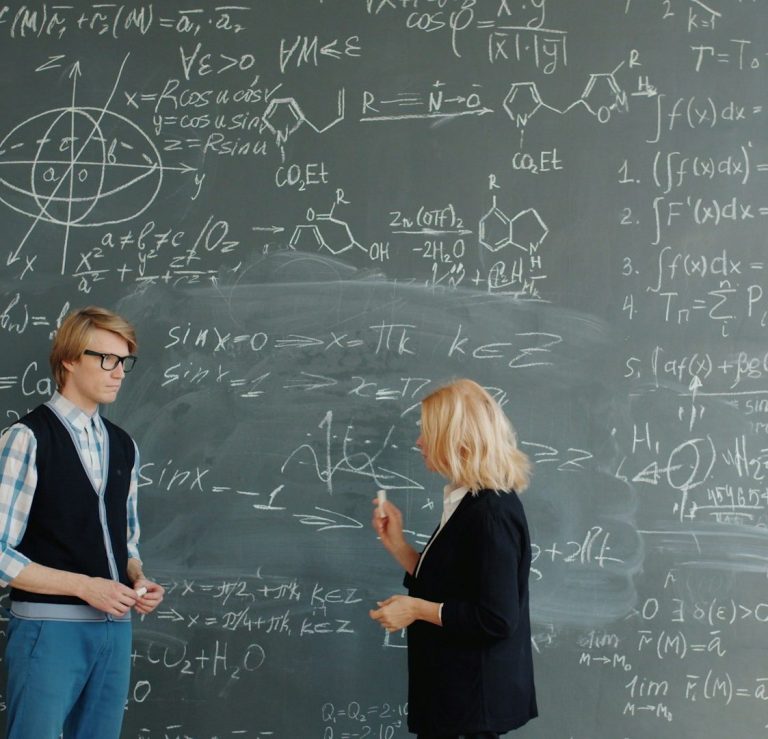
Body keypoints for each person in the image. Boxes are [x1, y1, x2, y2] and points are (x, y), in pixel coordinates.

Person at [0, 306, 164, 738]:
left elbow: (124, 542)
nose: (119, 372)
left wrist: (139, 578)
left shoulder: (123, 445)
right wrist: (83, 585)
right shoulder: (27, 438)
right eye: (106, 359)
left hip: (114, 631)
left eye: (124, 361)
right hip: (49, 630)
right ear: (70, 359)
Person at [370, 379, 537, 739]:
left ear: (456, 438)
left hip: (470, 710)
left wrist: (414, 609)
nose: (419, 442)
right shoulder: (470, 502)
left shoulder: (490, 512)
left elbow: (496, 617)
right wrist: (398, 545)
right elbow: (454, 584)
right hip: (456, 702)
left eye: (427, 432)